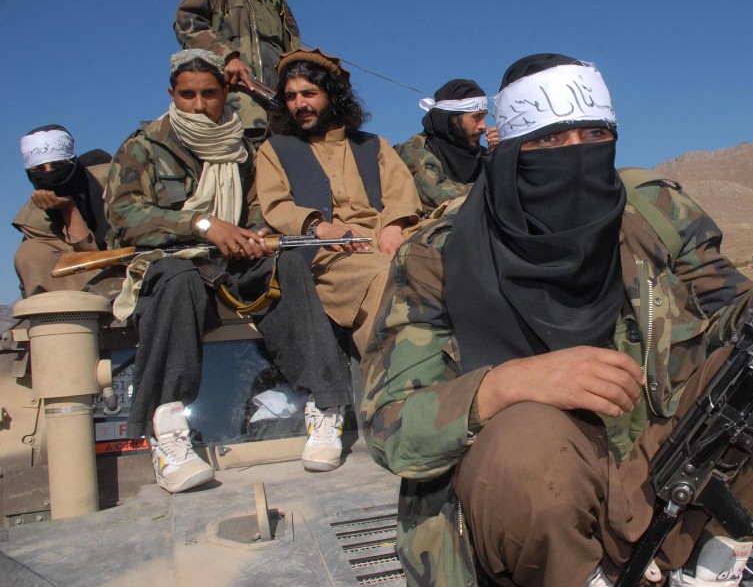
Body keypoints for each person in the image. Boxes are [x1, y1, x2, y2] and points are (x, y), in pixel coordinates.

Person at [360, 54, 753, 587]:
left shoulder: (653, 214)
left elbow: (723, 316)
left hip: (656, 471)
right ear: (511, 148)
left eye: (594, 132)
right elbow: (389, 428)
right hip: (526, 515)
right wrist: (509, 384)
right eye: (549, 140)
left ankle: (747, 560)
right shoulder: (439, 254)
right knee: (526, 433)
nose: (577, 154)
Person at [105, 49, 354, 493]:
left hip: (235, 260)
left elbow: (258, 205)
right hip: (177, 261)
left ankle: (326, 409)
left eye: (209, 94)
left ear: (225, 93)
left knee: (290, 269)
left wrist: (254, 231)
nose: (199, 105)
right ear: (171, 94)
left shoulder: (242, 147)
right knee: (175, 285)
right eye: (187, 95)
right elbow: (124, 214)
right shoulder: (142, 147)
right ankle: (169, 437)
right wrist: (201, 224)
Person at [256, 48, 420, 355]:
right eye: (291, 97)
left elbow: (400, 192)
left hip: (385, 242)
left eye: (309, 93)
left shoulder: (373, 145)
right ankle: (389, 378)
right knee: (383, 276)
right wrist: (320, 228)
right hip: (324, 256)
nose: (300, 104)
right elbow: (276, 206)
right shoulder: (275, 149)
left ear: (332, 95)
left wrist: (393, 227)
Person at [174, 0, 300, 146]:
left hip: (279, 112)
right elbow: (187, 22)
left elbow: (290, 46)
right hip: (231, 108)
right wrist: (226, 56)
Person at [13, 125, 114, 296]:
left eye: (58, 165)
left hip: (134, 268)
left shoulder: (112, 183)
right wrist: (68, 209)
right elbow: (88, 259)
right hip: (84, 285)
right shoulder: (34, 218)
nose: (49, 174)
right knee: (30, 252)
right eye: (39, 169)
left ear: (73, 163)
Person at [394, 79, 489, 213]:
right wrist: (493, 187)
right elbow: (436, 194)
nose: (483, 126)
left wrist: (501, 156)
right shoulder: (414, 150)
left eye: (484, 116)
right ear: (452, 119)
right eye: (476, 117)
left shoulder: (485, 155)